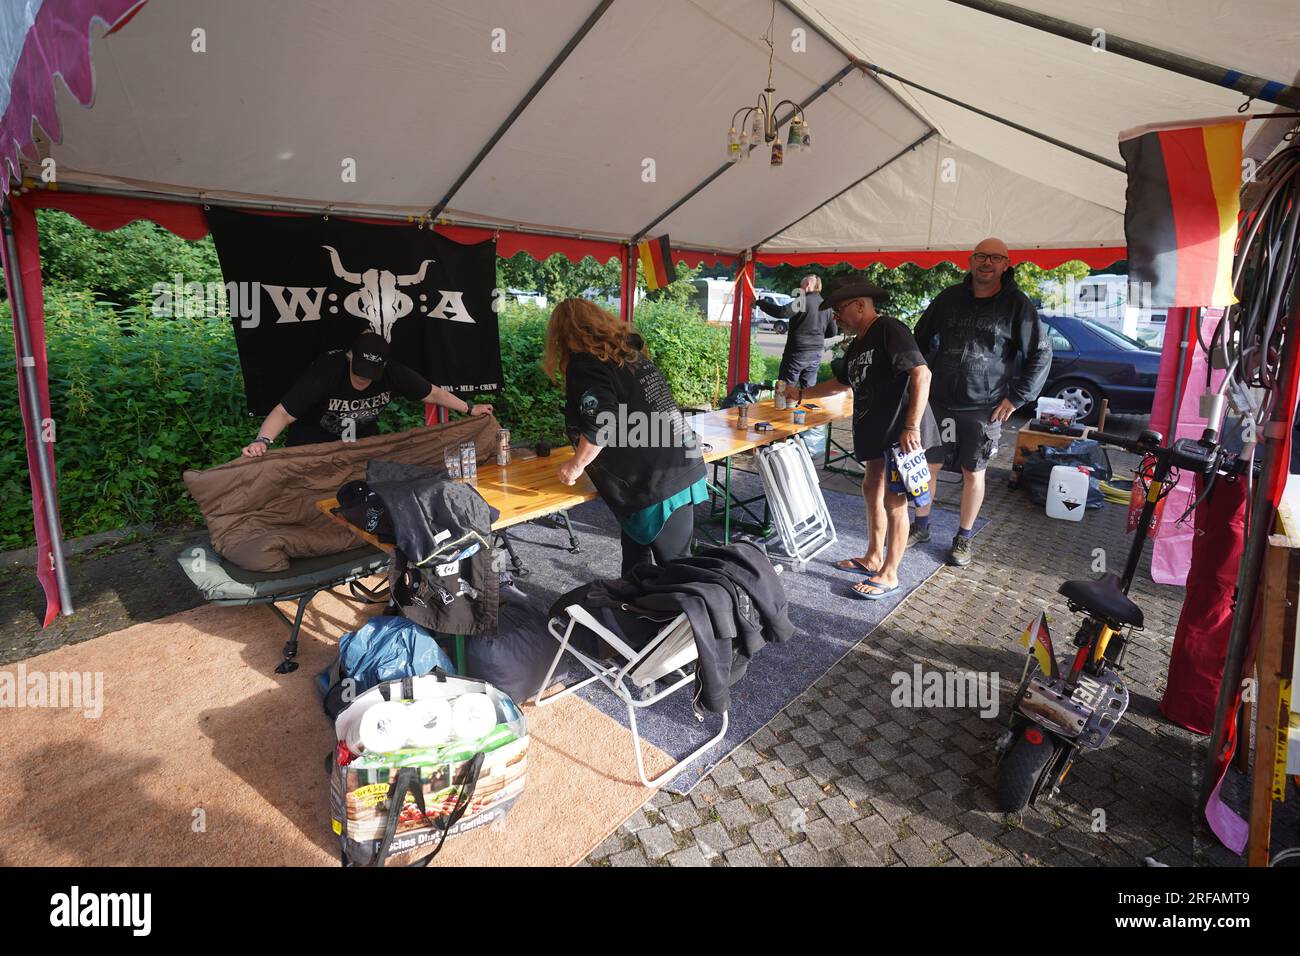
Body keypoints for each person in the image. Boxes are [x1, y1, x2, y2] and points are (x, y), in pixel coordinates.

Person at [910, 238, 1051, 567]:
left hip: (983, 407)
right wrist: (919, 378)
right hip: (939, 401)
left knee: (973, 471)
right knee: (928, 466)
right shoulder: (949, 298)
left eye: (994, 258)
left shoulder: (1018, 305)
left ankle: (963, 537)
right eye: (981, 257)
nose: (986, 263)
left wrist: (1017, 397)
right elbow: (919, 336)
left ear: (1005, 264)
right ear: (971, 261)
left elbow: (1041, 354)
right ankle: (922, 525)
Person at [545, 298, 707, 579]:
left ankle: (698, 621)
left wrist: (575, 465)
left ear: (563, 334)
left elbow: (601, 423)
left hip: (657, 480)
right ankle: (635, 612)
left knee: (679, 570)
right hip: (676, 460)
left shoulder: (586, 363)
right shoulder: (627, 354)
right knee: (636, 559)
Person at [824, 279, 941, 600]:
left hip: (900, 435)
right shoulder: (858, 342)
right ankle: (873, 557)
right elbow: (840, 382)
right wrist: (801, 393)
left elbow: (922, 374)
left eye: (840, 309)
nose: (836, 317)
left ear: (860, 305)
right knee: (870, 486)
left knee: (895, 502)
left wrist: (911, 427)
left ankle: (889, 574)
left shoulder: (889, 328)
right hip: (877, 434)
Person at [240, 331, 492, 456]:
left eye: (371, 374)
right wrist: (262, 441)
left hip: (360, 446)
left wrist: (470, 409)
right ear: (350, 358)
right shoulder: (327, 370)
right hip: (313, 448)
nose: (363, 379)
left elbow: (433, 394)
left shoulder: (393, 372)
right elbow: (284, 413)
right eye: (359, 372)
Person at [755, 274, 837, 388]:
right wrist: (817, 335)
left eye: (801, 285)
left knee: (786, 390)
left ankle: (786, 406)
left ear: (807, 285)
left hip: (797, 353)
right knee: (808, 390)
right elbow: (833, 332)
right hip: (816, 353)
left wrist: (760, 303)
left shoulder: (802, 301)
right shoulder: (826, 305)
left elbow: (782, 312)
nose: (800, 288)